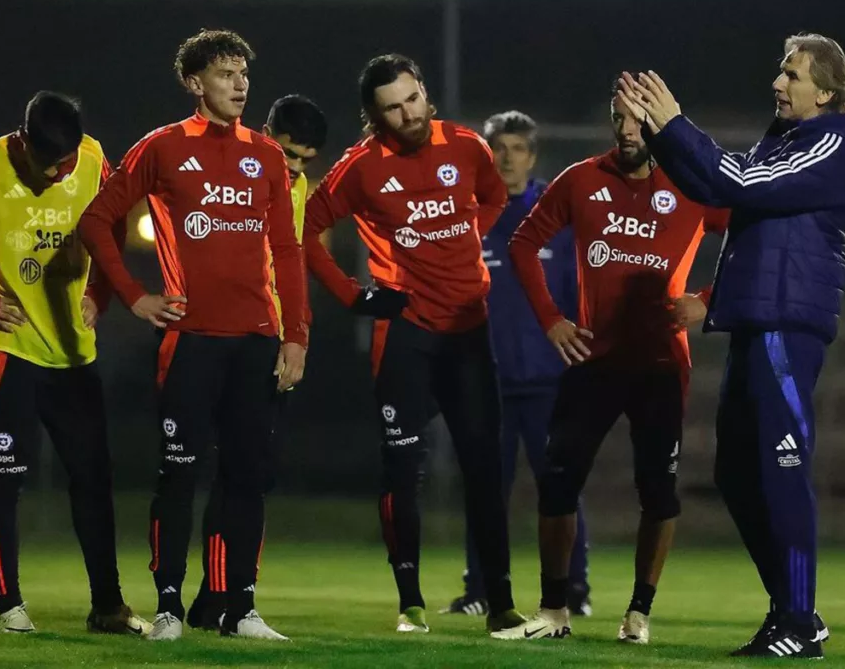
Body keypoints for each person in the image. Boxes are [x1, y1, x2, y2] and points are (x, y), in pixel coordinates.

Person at [617, 32, 845, 658]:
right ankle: (797, 613)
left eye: (792, 74)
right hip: (758, 318)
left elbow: (739, 181)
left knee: (782, 467)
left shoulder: (834, 142)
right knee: (736, 472)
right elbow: (718, 186)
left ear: (826, 91)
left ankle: (796, 621)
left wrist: (677, 123)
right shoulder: (793, 137)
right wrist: (660, 132)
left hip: (788, 322)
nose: (778, 83)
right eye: (780, 71)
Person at [77, 29, 307, 642]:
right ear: (194, 82)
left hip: (257, 339)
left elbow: (287, 250)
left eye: (243, 73)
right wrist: (135, 296)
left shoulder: (266, 155)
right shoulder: (163, 147)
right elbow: (96, 219)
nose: (240, 84)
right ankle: (171, 607)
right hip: (193, 341)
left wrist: (296, 336)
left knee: (246, 478)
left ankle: (238, 606)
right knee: (179, 474)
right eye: (226, 73)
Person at [491, 78, 728, 643]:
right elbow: (524, 243)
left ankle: (638, 614)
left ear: (659, 121)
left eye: (637, 119)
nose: (625, 131)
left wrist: (707, 301)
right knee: (556, 483)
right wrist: (551, 317)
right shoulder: (582, 180)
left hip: (661, 365)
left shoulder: (694, 186)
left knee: (659, 492)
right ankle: (553, 613)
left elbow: (754, 237)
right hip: (593, 360)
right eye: (617, 118)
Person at [302, 53, 524, 635]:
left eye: (411, 99)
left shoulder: (469, 146)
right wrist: (352, 296)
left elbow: (495, 197)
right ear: (374, 118)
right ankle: (411, 603)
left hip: (469, 334)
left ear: (425, 93)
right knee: (403, 468)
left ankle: (500, 603)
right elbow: (304, 229)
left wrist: (469, 240)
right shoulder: (361, 166)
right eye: (391, 108)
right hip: (406, 335)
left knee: (484, 468)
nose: (407, 114)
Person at [0, 91, 148, 635]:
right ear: (22, 141)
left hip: (75, 355)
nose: (55, 172)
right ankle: (10, 607)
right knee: (6, 481)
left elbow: (114, 222)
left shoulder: (93, 158)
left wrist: (102, 290)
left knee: (94, 481)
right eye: (46, 162)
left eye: (63, 163)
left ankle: (108, 607)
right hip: (12, 352)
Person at [441, 110, 592, 618]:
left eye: (518, 148)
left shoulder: (558, 215)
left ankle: (574, 589)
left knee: (560, 485)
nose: (507, 158)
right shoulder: (465, 211)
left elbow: (580, 297)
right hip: (485, 380)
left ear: (533, 155)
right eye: (497, 149)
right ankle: (480, 588)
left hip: (550, 380)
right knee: (485, 487)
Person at [187, 93, 327, 631]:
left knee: (253, 473)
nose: (293, 169)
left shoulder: (293, 188)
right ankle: (214, 598)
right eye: (289, 154)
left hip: (269, 342)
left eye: (304, 162)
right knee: (225, 470)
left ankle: (216, 597)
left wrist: (298, 337)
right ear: (265, 132)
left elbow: (291, 264)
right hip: (220, 336)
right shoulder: (235, 170)